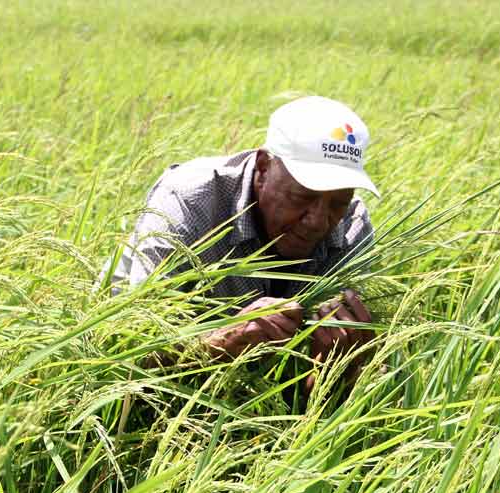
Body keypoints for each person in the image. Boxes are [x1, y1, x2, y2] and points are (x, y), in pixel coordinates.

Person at [110, 95, 379, 390]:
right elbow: (132, 354)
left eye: (337, 203)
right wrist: (219, 344)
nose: (317, 221)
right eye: (301, 197)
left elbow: (332, 385)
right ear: (263, 168)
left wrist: (336, 370)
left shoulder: (353, 225)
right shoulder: (189, 203)